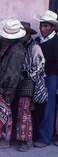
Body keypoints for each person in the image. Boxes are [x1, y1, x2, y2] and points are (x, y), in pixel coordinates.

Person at [0, 19, 26, 149]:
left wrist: (3, 89)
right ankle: (3, 138)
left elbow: (12, 74)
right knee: (2, 112)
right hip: (4, 85)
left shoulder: (17, 50)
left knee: (5, 113)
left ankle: (5, 140)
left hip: (7, 88)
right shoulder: (11, 47)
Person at [16, 22, 44, 152]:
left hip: (29, 81)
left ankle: (27, 140)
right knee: (21, 110)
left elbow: (39, 65)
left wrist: (25, 74)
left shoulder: (34, 47)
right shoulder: (19, 46)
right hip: (20, 81)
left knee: (25, 110)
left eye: (23, 33)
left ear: (28, 35)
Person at [33, 10, 58, 147]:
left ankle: (44, 137)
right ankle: (37, 134)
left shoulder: (56, 41)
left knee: (48, 105)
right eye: (41, 25)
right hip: (39, 76)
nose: (42, 29)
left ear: (53, 27)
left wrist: (45, 71)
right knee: (38, 104)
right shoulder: (37, 41)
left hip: (51, 77)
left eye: (46, 26)